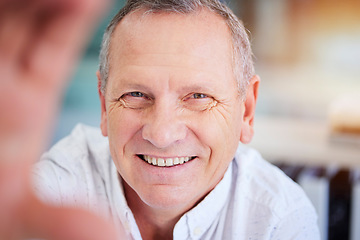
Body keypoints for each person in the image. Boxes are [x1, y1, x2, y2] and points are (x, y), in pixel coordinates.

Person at [3, 0, 320, 239]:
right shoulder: (56, 186)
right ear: (103, 106)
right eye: (136, 95)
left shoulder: (279, 220)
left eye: (198, 97)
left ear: (246, 112)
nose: (162, 134)